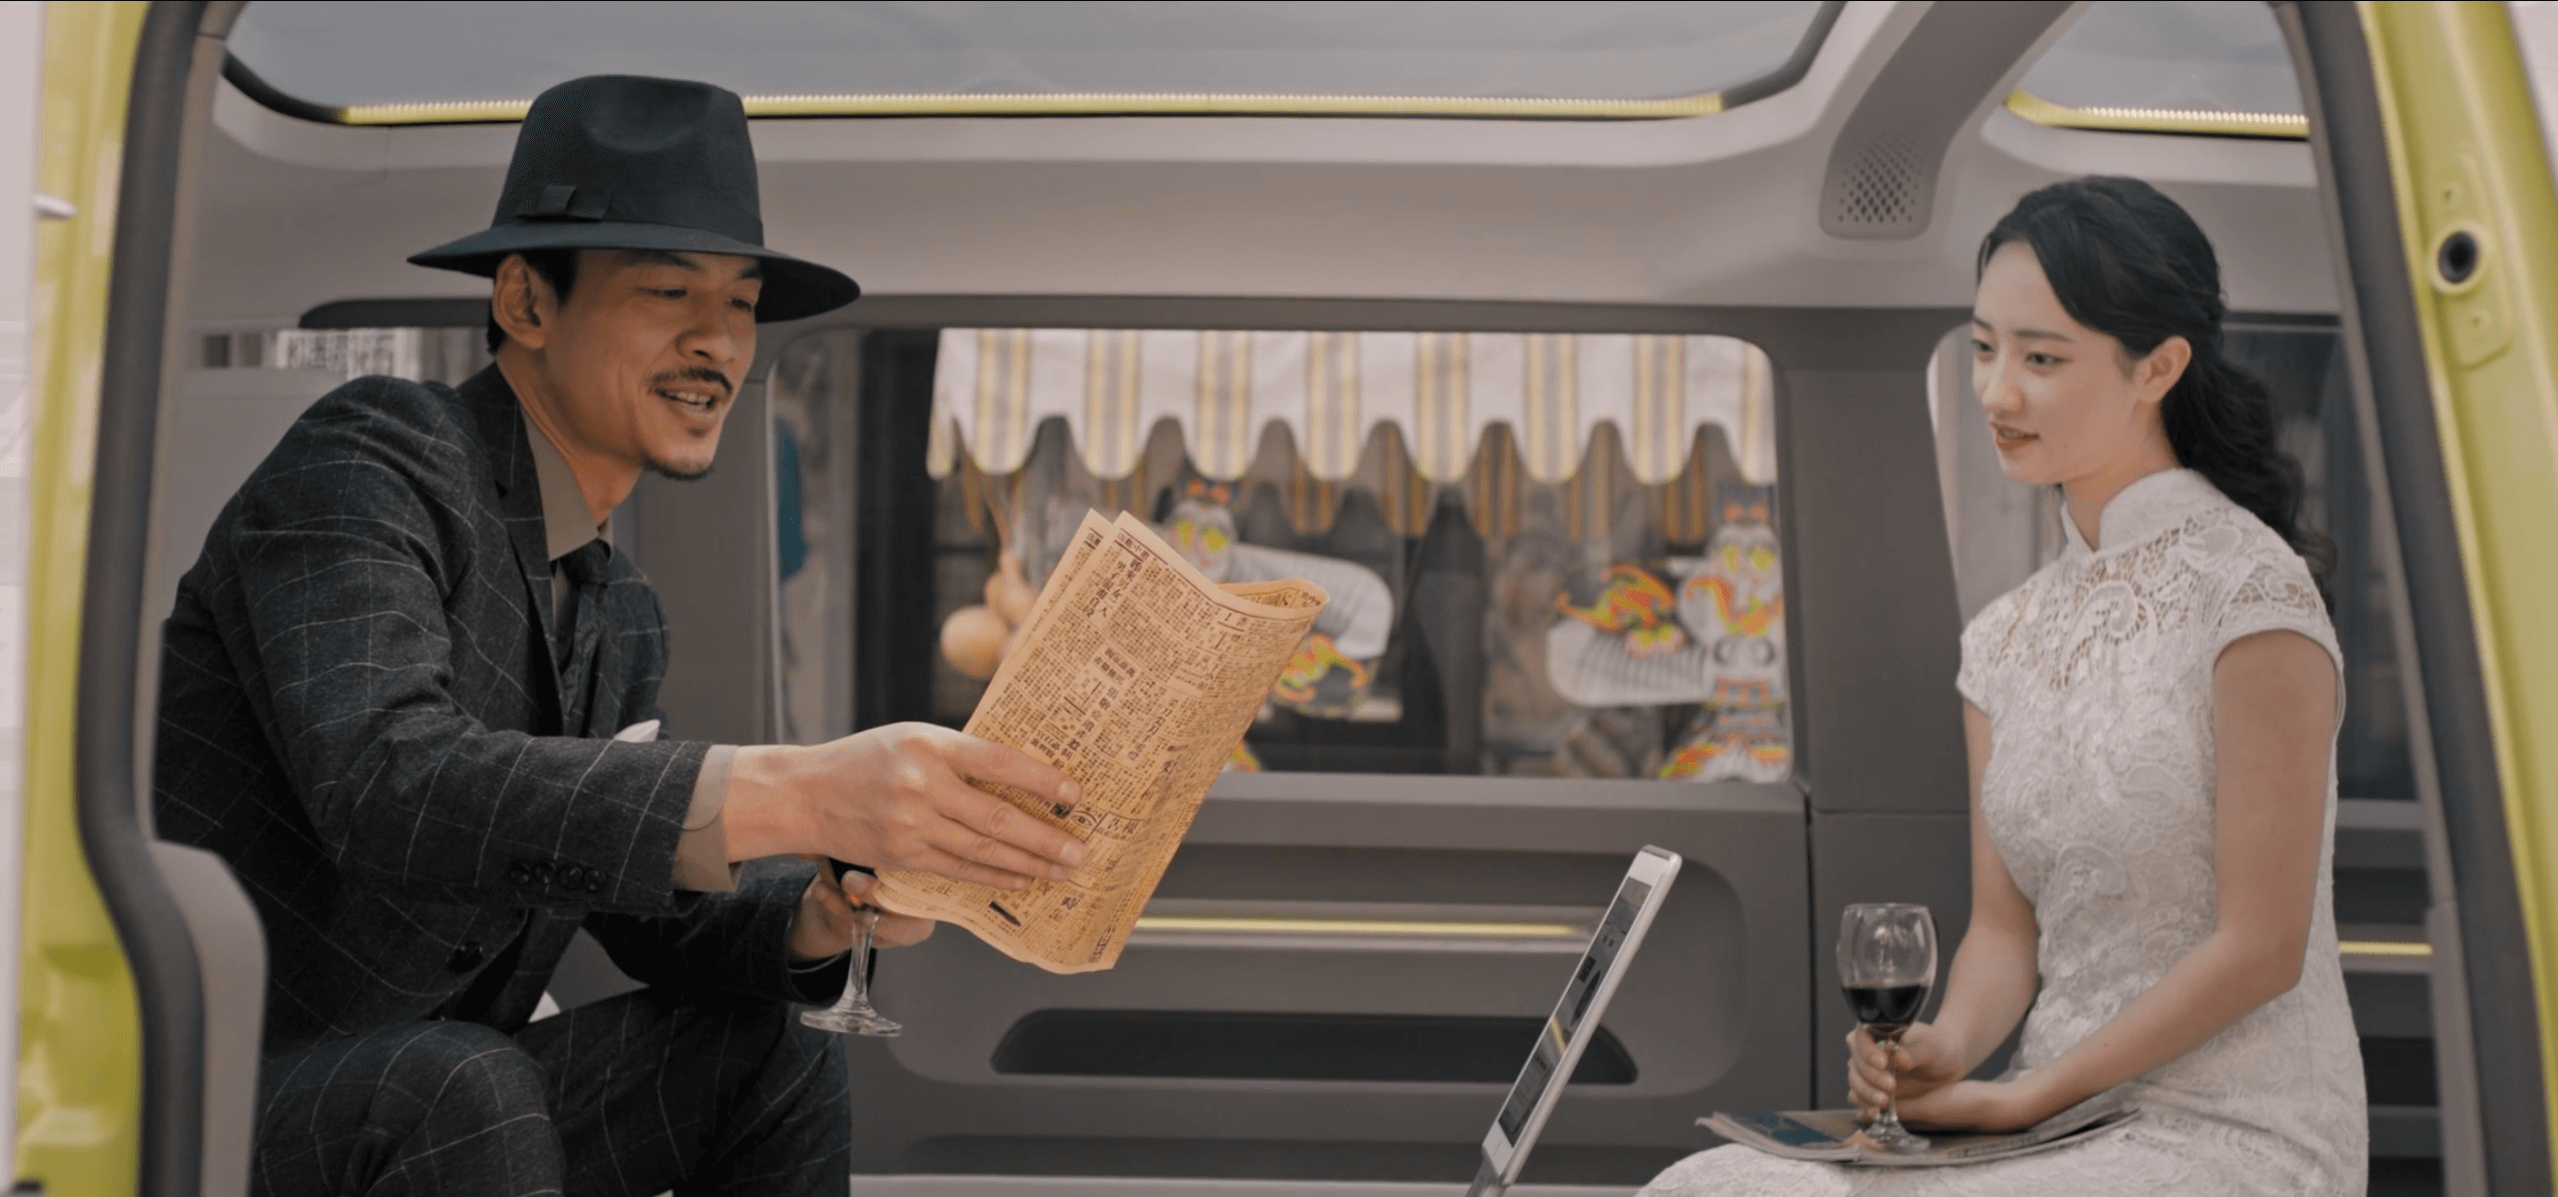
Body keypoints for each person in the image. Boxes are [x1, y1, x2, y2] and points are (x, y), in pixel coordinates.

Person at [153, 75, 1090, 1197]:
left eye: (742, 304)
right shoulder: (370, 458)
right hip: (220, 1094)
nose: (718, 342)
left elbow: (641, 905)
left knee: (769, 1048)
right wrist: (803, 791)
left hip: (443, 1095)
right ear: (525, 302)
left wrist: (814, 913)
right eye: (665, 291)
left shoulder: (620, 610)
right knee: (465, 1082)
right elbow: (390, 783)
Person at [1640, 175, 2366, 1194]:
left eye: (2040, 358)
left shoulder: (2253, 595)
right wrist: (1942, 1048)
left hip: (2232, 1129)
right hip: (2052, 1125)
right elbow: (2003, 931)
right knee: (1710, 1183)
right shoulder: (2003, 638)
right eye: (1983, 348)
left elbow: (2262, 946)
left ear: (2158, 367)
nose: (1995, 392)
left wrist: (2026, 1095)